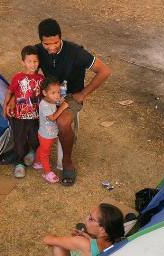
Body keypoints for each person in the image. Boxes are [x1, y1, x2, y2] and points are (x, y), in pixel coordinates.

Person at [33, 19, 110, 186]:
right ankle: (28, 151)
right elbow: (30, 71)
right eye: (47, 44)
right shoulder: (38, 50)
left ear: (60, 37)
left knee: (62, 121)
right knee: (27, 108)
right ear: (41, 41)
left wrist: (83, 93)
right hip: (50, 95)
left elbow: (104, 71)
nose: (51, 47)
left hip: (71, 96)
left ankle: (67, 162)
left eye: (55, 42)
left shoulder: (75, 52)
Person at [43, 204, 125, 256]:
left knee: (58, 245)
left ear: (102, 229)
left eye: (91, 219)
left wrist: (74, 241)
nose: (86, 219)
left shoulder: (83, 243)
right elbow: (97, 248)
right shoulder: (120, 242)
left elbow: (47, 240)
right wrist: (89, 239)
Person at [3, 46, 44, 179]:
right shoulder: (18, 78)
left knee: (34, 137)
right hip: (18, 116)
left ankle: (32, 152)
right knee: (19, 139)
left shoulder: (41, 79)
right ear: (23, 62)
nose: (32, 64)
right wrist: (5, 106)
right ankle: (19, 163)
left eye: (35, 61)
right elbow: (10, 92)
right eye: (29, 61)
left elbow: (44, 96)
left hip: (34, 117)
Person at [35, 78, 69, 184]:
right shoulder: (44, 104)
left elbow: (58, 101)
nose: (57, 95)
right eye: (53, 93)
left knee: (42, 148)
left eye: (58, 92)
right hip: (46, 135)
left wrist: (61, 101)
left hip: (50, 133)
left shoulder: (52, 100)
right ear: (45, 93)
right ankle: (47, 173)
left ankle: (37, 162)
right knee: (45, 153)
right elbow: (52, 118)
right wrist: (62, 108)